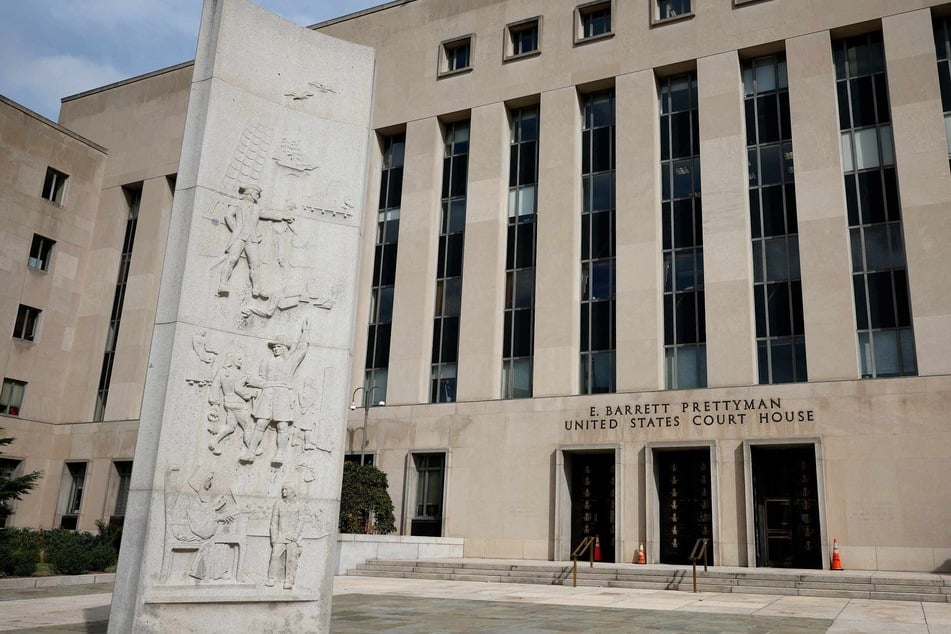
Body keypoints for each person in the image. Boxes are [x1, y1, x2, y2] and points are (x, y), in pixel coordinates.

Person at [240, 319, 310, 466]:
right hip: (268, 393)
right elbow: (261, 379)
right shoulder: (266, 361)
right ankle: (251, 452)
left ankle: (280, 453)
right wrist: (252, 381)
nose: (275, 349)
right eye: (274, 347)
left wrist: (306, 332)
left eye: (278, 346)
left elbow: (302, 350)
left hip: (283, 394)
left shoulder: (291, 361)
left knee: (282, 426)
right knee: (261, 423)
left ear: (285, 348)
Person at [217, 184, 295, 299]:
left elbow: (268, 214)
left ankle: (257, 289)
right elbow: (228, 216)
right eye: (256, 194)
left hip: (252, 238)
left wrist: (283, 216)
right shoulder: (237, 203)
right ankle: (222, 285)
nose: (258, 196)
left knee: (255, 264)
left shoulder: (257, 208)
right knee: (232, 259)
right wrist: (236, 230)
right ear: (249, 193)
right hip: (239, 237)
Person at [207, 352, 256, 455]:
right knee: (247, 426)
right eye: (239, 359)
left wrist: (215, 403)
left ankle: (214, 440)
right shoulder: (240, 374)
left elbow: (215, 386)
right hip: (239, 403)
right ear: (233, 361)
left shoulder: (222, 372)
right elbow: (240, 390)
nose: (241, 362)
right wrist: (250, 394)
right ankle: (252, 449)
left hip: (228, 402)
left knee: (230, 427)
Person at [266, 484, 304, 589]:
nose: (283, 491)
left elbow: (301, 521)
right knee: (274, 556)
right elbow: (274, 522)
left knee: (291, 560)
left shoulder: (299, 505)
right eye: (282, 489)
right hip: (280, 536)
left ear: (292, 491)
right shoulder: (278, 504)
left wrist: (296, 535)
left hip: (292, 537)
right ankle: (271, 578)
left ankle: (289, 581)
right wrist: (274, 538)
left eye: (286, 489)